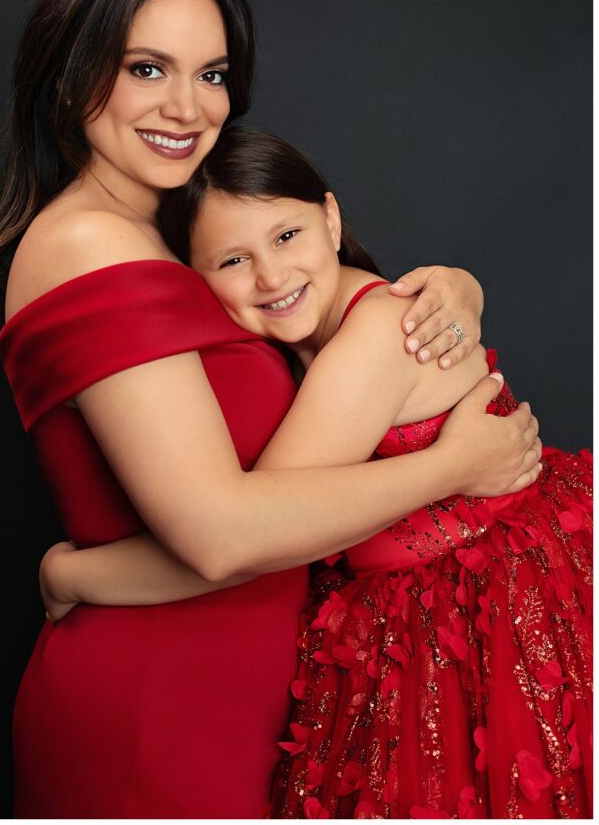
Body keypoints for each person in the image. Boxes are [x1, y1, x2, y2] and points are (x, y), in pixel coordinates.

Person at [0, 0, 541, 818]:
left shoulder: (177, 241)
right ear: (73, 71)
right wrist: (455, 467)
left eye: (213, 73)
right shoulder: (91, 242)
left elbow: (316, 324)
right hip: (156, 707)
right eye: (147, 68)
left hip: (251, 709)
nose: (189, 108)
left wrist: (454, 288)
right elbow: (221, 534)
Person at [41, 128, 591, 820]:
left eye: (287, 235)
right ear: (196, 280)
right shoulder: (299, 339)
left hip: (490, 620)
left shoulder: (373, 340)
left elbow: (243, 542)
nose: (270, 277)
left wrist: (70, 575)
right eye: (233, 259)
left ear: (331, 219)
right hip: (411, 628)